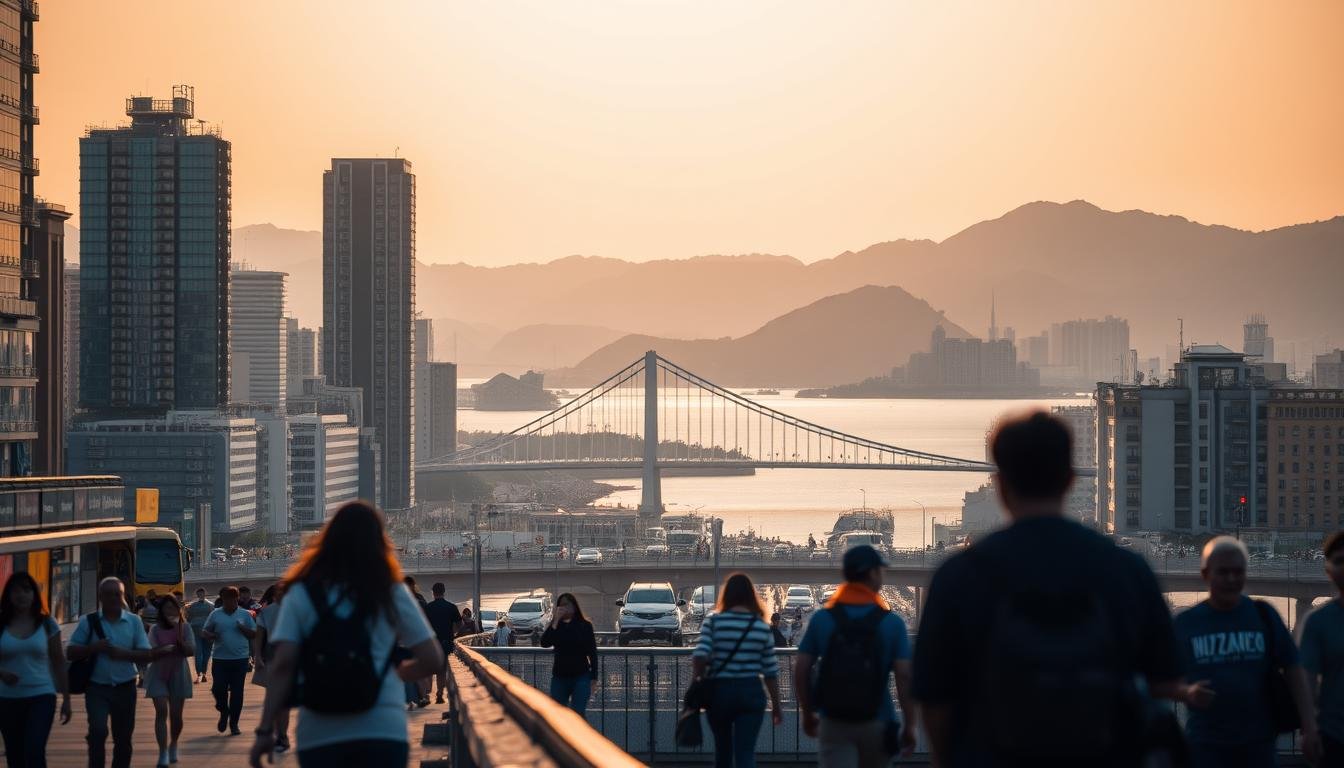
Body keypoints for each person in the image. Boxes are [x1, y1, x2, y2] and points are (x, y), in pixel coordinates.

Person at [912, 411, 1204, 767]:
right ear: (1069, 480)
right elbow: (1163, 681)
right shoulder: (1126, 570)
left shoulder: (959, 576)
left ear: (1000, 484)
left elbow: (934, 698)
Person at [247, 501, 443, 768]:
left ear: (328, 539)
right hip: (383, 731)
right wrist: (389, 673)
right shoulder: (391, 591)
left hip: (320, 734)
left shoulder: (301, 594)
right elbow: (432, 659)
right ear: (380, 542)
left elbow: (282, 666)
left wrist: (265, 730)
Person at [1175, 536, 1319, 767]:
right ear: (1205, 574)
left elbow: (1294, 668)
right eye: (1223, 572)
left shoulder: (1264, 616)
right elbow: (1159, 679)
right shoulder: (1186, 624)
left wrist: (1309, 725)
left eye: (1238, 571)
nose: (1231, 579)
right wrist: (1185, 692)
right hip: (1205, 748)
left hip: (1258, 747)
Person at [794, 545, 915, 767]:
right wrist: (909, 724)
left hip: (833, 721)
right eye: (880, 571)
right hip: (878, 720)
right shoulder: (892, 623)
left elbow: (801, 669)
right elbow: (904, 677)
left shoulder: (822, 619)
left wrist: (808, 713)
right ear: (871, 574)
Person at [67, 577, 167, 768]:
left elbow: (146, 655)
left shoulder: (133, 621)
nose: (113, 598)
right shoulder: (88, 621)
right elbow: (70, 652)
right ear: (100, 596)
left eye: (117, 594)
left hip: (125, 687)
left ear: (123, 596)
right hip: (96, 688)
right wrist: (93, 648)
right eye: (108, 594)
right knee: (97, 731)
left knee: (123, 738)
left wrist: (123, 654)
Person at [692, 573, 783, 768]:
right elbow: (770, 671)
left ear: (726, 595)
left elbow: (700, 655)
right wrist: (776, 705)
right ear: (751, 596)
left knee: (723, 751)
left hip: (719, 693)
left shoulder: (713, 621)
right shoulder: (760, 626)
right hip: (751, 691)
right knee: (745, 753)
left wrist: (698, 682)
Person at [0, 571, 71, 768]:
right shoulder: (1, 624)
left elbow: (59, 661)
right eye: (16, 591)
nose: (21, 595)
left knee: (34, 749)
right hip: (7, 699)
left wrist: (66, 699)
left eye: (26, 589)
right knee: (15, 755)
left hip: (41, 696)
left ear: (34, 594)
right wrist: (2, 673)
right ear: (9, 595)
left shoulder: (47, 624)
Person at [1300, 531, 1344, 766]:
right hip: (1333, 735)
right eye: (1339, 561)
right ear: (1328, 569)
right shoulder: (1318, 622)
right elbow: (1305, 680)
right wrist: (1309, 729)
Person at [201, 585, 257, 735]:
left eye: (234, 598)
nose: (231, 601)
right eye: (227, 598)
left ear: (237, 599)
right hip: (220, 658)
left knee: (237, 692)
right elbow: (205, 631)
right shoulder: (215, 614)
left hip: (240, 659)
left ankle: (234, 724)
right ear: (222, 599)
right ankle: (224, 711)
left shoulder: (245, 615)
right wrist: (210, 635)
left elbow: (254, 634)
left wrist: (242, 628)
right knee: (218, 689)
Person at [145, 593, 194, 768]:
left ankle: (173, 743)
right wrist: (163, 649)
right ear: (161, 611)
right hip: (158, 672)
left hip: (179, 672)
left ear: (178, 609)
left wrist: (180, 642)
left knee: (176, 715)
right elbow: (149, 651)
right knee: (160, 711)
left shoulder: (184, 627)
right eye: (166, 608)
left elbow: (191, 650)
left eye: (173, 607)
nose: (170, 611)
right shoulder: (155, 629)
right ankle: (163, 752)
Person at [540, 593, 598, 716]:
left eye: (566, 604)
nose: (563, 608)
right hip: (560, 676)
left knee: (578, 714)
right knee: (559, 715)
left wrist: (594, 677)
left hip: (581, 676)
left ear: (574, 606)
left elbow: (592, 652)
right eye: (560, 605)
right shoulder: (557, 626)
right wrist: (555, 621)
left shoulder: (584, 626)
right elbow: (544, 642)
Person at [251, 584, 291, 754]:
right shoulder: (267, 612)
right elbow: (259, 637)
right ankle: (279, 734)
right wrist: (257, 656)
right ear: (274, 595)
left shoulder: (295, 609)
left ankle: (282, 735)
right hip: (271, 658)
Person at [424, 582, 461, 704]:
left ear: (433, 592)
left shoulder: (428, 608)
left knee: (429, 669)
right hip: (446, 643)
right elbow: (459, 624)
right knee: (442, 670)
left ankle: (426, 694)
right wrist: (454, 633)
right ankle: (439, 693)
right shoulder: (451, 607)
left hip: (431, 643)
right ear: (444, 592)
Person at [185, 588, 214, 684]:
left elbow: (188, 618)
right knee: (206, 653)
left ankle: (200, 673)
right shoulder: (211, 606)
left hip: (197, 630)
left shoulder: (191, 606)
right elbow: (213, 619)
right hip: (207, 631)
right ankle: (203, 673)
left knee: (199, 653)